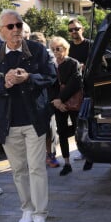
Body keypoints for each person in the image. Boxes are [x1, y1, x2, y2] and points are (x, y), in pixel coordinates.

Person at [0, 9, 56, 222]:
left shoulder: (37, 50)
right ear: (1, 31)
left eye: (19, 25)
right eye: (10, 27)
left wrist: (28, 78)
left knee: (36, 168)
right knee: (19, 170)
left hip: (35, 119)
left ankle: (40, 215)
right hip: (8, 121)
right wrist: (5, 84)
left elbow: (51, 77)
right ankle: (27, 210)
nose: (16, 30)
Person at [49, 36, 82, 176]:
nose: (56, 51)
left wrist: (60, 99)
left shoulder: (73, 63)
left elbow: (75, 83)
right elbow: (49, 85)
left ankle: (86, 155)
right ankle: (67, 163)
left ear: (65, 49)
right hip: (58, 104)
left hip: (71, 102)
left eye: (58, 48)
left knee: (77, 129)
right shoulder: (51, 65)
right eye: (53, 49)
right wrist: (56, 101)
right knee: (62, 132)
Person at [29, 31, 60, 169]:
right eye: (36, 43)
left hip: (48, 100)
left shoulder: (49, 58)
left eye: (41, 43)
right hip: (32, 101)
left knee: (48, 130)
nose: (39, 46)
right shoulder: (26, 59)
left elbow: (53, 79)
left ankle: (50, 155)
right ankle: (39, 157)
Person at [67, 18, 93, 168]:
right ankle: (81, 149)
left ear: (82, 29)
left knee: (89, 119)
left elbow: (100, 61)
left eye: (76, 29)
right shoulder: (69, 47)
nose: (74, 32)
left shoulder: (90, 45)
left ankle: (91, 150)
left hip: (89, 86)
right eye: (71, 30)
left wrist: (85, 66)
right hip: (74, 88)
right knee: (78, 121)